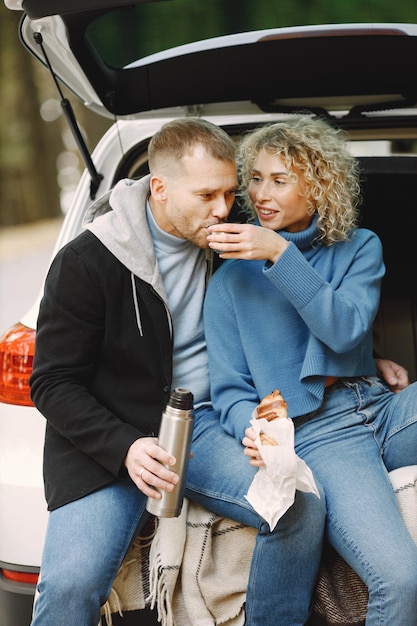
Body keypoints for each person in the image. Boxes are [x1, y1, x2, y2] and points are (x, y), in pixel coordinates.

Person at [29, 117, 327, 626]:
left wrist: (357, 359)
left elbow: (301, 313)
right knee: (72, 583)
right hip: (112, 441)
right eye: (207, 193)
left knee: (297, 508)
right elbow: (51, 383)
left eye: (231, 192)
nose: (222, 208)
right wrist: (124, 446)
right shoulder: (86, 260)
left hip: (206, 427)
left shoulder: (231, 243)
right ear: (160, 188)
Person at [204, 115, 417, 625]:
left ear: (319, 187)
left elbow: (344, 329)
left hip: (382, 408)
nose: (261, 193)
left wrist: (280, 255)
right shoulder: (231, 279)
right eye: (255, 178)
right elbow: (230, 389)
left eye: (280, 180)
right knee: (401, 582)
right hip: (321, 433)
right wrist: (253, 429)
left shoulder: (360, 247)